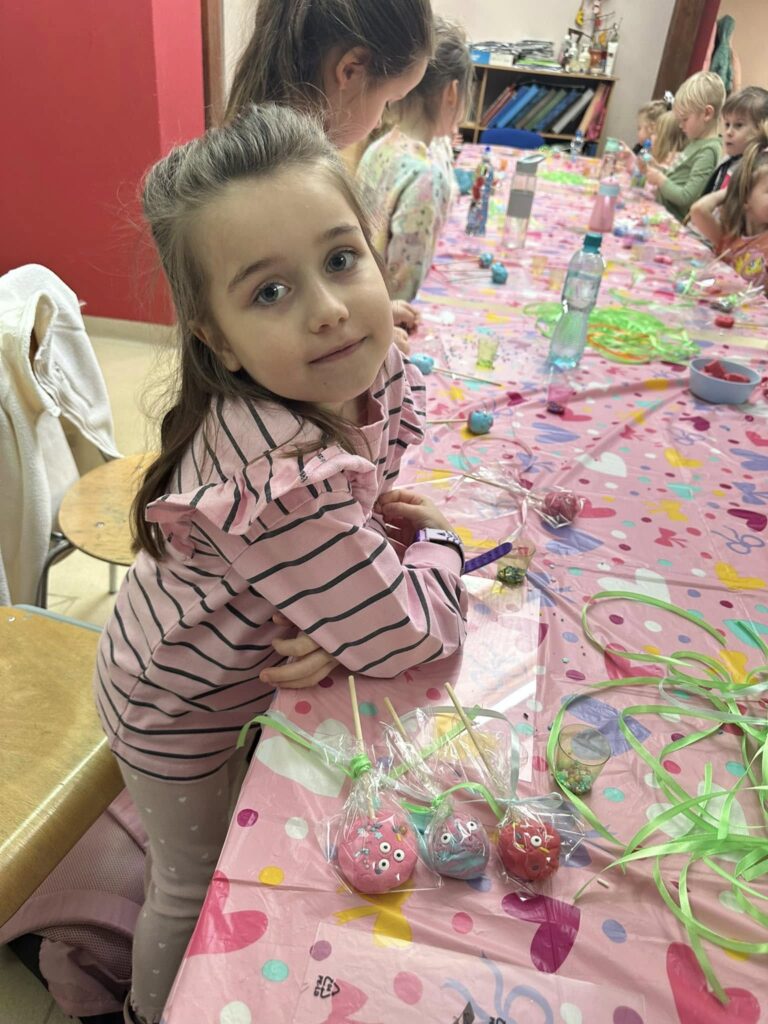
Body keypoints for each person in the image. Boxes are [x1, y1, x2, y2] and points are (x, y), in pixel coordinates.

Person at [98, 105, 468, 1024]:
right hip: (172, 704)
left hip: (209, 668)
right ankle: (150, 1012)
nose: (329, 308)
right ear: (217, 338)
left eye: (341, 259)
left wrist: (342, 590)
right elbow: (409, 636)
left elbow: (365, 502)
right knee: (189, 879)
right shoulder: (281, 479)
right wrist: (442, 548)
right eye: (269, 292)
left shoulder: (347, 369)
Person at [224, 0, 434, 346]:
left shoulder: (299, 171)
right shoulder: (280, 190)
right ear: (350, 70)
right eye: (388, 101)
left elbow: (313, 291)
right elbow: (286, 331)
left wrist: (370, 312)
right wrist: (369, 346)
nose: (380, 122)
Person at [355, 17, 473, 301]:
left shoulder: (379, 146)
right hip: (392, 311)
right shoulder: (426, 177)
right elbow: (405, 286)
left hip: (363, 291)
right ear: (452, 93)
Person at [689, 121, 768, 291]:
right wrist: (734, 191)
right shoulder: (729, 237)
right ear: (745, 197)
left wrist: (741, 192)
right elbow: (698, 210)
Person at [646, 71, 725, 221]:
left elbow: (687, 197)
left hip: (672, 222)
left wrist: (660, 179)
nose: (680, 125)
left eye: (684, 119)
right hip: (661, 214)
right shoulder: (695, 141)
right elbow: (677, 177)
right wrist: (657, 169)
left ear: (707, 114)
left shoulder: (709, 151)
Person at [701, 86, 768, 196]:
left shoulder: (759, 171)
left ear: (761, 128)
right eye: (727, 124)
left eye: (738, 125)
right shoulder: (729, 160)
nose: (728, 132)